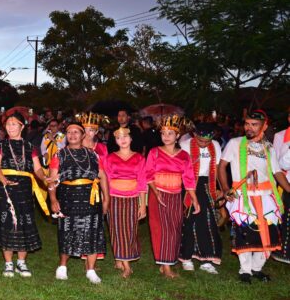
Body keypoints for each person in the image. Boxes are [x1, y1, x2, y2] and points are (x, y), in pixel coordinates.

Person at [218, 110, 289, 283]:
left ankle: (257, 269)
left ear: (264, 126)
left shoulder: (268, 147)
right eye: (246, 124)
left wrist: (289, 189)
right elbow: (221, 167)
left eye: (254, 124)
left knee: (269, 234)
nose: (248, 128)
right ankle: (245, 271)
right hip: (243, 196)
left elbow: (277, 172)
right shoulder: (235, 143)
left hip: (266, 197)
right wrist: (226, 188)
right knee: (245, 233)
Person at [48, 119, 110, 284]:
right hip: (68, 197)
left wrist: (106, 199)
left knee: (92, 231)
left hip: (91, 198)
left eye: (76, 132)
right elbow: (52, 180)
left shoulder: (93, 154)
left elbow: (102, 176)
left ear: (83, 135)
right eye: (69, 132)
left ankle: (90, 270)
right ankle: (62, 267)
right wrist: (53, 199)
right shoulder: (59, 154)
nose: (72, 135)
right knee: (67, 231)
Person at [0, 112, 48, 278]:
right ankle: (8, 263)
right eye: (8, 124)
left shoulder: (30, 147)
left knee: (24, 222)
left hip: (24, 189)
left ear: (22, 127)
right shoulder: (0, 145)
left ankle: (21, 262)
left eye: (14, 124)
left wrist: (45, 177)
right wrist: (4, 180)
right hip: (5, 189)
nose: (10, 127)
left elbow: (37, 168)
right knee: (7, 223)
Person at [145, 115, 200, 279]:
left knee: (175, 230)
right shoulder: (154, 152)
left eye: (170, 133)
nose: (166, 136)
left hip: (176, 196)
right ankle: (166, 266)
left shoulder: (184, 156)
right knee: (161, 230)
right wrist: (156, 193)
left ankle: (167, 263)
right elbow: (148, 175)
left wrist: (195, 200)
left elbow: (189, 179)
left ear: (177, 136)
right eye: (163, 133)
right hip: (158, 195)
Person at [102, 127, 146, 278]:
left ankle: (121, 258)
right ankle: (126, 265)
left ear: (131, 138)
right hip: (114, 198)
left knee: (130, 231)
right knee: (116, 230)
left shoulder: (139, 158)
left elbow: (142, 183)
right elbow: (105, 181)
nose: (123, 139)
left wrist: (143, 205)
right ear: (115, 141)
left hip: (132, 199)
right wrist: (105, 200)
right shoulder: (109, 158)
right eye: (119, 137)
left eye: (126, 136)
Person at [178, 122, 223, 273]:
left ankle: (206, 259)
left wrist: (219, 189)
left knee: (208, 222)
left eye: (207, 141)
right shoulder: (184, 145)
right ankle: (187, 257)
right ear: (194, 135)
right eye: (201, 141)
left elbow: (215, 169)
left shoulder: (215, 145)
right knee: (189, 221)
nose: (204, 144)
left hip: (206, 185)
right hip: (188, 184)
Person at [271, 108, 290, 264]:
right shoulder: (280, 136)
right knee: (285, 218)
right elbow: (277, 163)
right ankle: (284, 251)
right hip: (286, 181)